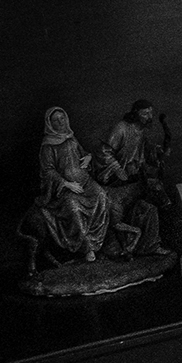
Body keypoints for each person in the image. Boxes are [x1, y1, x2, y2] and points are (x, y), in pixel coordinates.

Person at [32, 106, 114, 262]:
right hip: (64, 188)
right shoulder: (48, 146)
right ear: (50, 124)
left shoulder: (71, 137)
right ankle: (87, 248)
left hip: (85, 181)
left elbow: (82, 154)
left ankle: (99, 242)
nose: (60, 122)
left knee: (102, 196)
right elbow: (47, 171)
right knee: (74, 209)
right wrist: (67, 184)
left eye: (62, 118)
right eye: (56, 120)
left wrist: (88, 158)